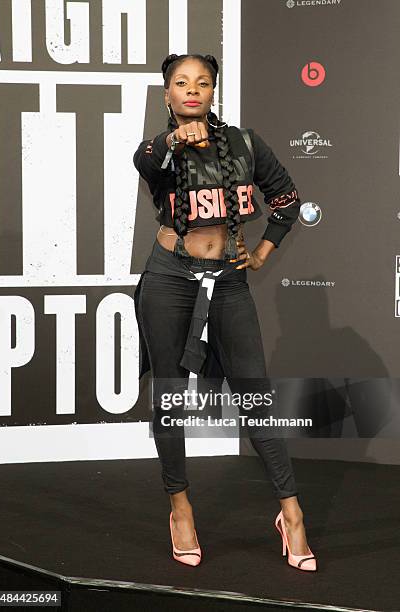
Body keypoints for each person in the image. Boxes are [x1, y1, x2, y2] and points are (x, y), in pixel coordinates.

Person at [132, 53, 317, 571]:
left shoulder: (245, 143)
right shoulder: (160, 152)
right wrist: (172, 140)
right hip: (170, 279)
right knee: (170, 396)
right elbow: (144, 160)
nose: (192, 90)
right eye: (181, 83)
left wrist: (262, 252)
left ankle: (291, 513)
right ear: (167, 93)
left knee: (255, 396)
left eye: (203, 82)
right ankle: (180, 508)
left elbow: (285, 198)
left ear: (214, 90)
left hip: (229, 282)